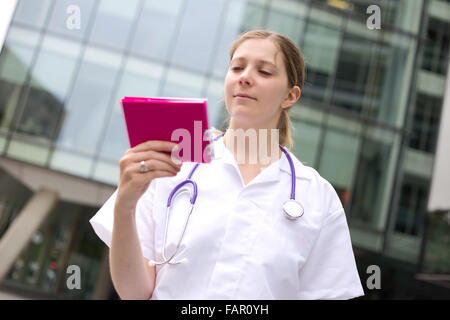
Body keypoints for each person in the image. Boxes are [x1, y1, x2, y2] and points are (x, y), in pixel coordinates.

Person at [90, 30, 365, 300]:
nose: (245, 78)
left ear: (290, 96)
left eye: (264, 72)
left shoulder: (318, 197)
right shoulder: (176, 159)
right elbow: (135, 293)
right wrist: (124, 207)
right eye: (237, 68)